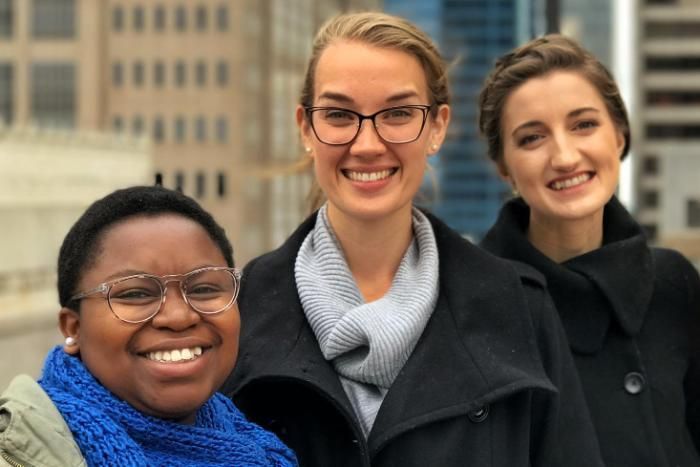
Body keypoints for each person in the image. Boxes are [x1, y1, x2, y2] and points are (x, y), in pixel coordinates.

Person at [223, 12, 603, 467]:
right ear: (306, 127)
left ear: (437, 127)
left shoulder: (520, 308)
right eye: (340, 115)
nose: (367, 144)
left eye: (399, 113)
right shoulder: (238, 315)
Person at [479, 34, 700, 466]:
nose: (564, 156)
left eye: (584, 124)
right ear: (503, 166)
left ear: (619, 135)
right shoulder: (474, 304)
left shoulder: (674, 284)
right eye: (531, 138)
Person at [0, 186, 297, 467]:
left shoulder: (261, 447)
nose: (179, 317)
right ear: (74, 328)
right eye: (136, 294)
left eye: (204, 288)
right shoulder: (19, 452)